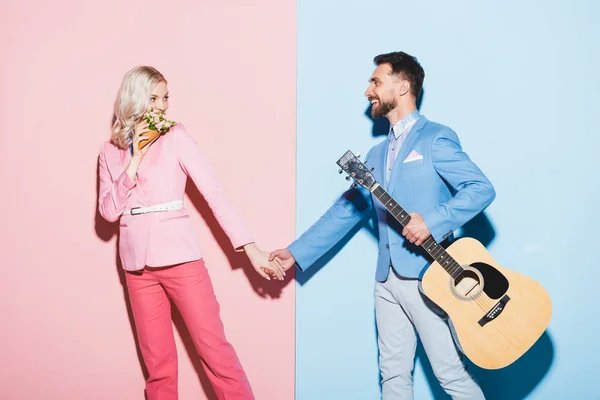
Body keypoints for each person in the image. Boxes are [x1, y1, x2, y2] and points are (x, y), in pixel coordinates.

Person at [269, 51, 494, 399]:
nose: (367, 91)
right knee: (392, 376)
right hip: (385, 281)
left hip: (428, 278)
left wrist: (433, 221)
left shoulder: (435, 138)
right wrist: (294, 253)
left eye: (376, 81)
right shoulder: (374, 155)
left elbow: (480, 189)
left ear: (402, 86)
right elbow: (345, 212)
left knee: (450, 374)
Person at [98, 65, 284, 400]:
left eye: (166, 97)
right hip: (136, 268)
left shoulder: (176, 137)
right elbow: (109, 212)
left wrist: (250, 247)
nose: (162, 106)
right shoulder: (109, 152)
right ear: (133, 98)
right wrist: (134, 161)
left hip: (181, 260)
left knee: (215, 353)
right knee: (158, 368)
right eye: (153, 97)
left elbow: (214, 193)